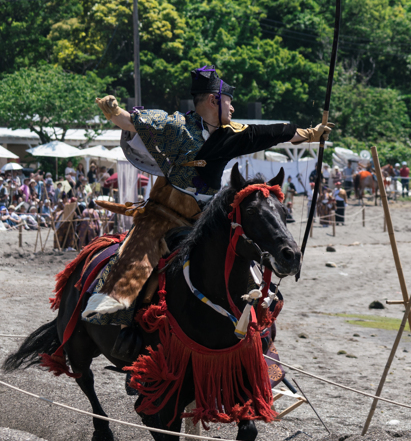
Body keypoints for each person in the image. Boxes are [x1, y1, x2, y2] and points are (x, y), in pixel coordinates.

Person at [84, 65, 333, 338]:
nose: (233, 108)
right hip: (167, 210)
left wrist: (311, 133)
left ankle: (254, 322)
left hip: (208, 215)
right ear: (215, 100)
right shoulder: (177, 127)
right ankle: (123, 326)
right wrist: (113, 110)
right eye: (230, 102)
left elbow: (275, 133)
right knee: (138, 251)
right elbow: (132, 122)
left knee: (244, 254)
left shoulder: (232, 134)